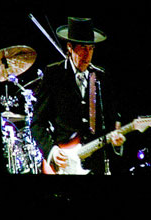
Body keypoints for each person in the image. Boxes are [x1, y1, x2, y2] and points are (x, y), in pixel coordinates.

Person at [31, 17, 125, 175]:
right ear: (70, 47)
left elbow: (112, 120)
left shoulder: (100, 77)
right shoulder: (54, 74)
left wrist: (117, 141)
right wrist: (52, 152)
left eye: (91, 48)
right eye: (82, 47)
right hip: (64, 163)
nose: (87, 54)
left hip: (96, 165)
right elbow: (36, 123)